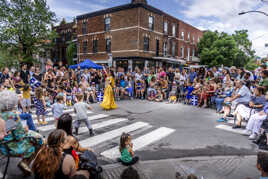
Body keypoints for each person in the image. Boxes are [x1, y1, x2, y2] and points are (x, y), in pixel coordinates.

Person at [0, 90, 43, 176]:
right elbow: (19, 136)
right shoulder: (13, 115)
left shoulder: (1, 115)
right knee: (39, 139)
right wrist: (26, 130)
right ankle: (27, 162)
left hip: (4, 146)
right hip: (13, 147)